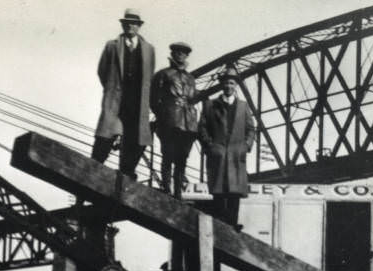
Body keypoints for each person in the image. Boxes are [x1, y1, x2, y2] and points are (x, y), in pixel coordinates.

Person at [91, 8, 155, 178]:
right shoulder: (111, 46)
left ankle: (126, 178)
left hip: (136, 106)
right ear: (122, 25)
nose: (129, 26)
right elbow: (102, 71)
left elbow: (149, 76)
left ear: (139, 26)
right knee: (104, 140)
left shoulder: (149, 49)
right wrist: (112, 89)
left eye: (133, 24)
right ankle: (91, 173)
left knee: (135, 143)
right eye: (126, 23)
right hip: (116, 103)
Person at [197, 66, 256, 227]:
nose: (228, 86)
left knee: (234, 193)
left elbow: (251, 129)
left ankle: (232, 225)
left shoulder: (243, 106)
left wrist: (246, 146)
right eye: (226, 83)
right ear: (221, 85)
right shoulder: (210, 105)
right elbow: (202, 127)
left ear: (235, 85)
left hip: (237, 155)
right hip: (218, 154)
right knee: (219, 192)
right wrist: (209, 146)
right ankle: (220, 226)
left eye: (231, 83)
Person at [151, 41, 198, 198]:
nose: (180, 55)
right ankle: (166, 189)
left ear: (186, 56)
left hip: (188, 124)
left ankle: (178, 193)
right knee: (168, 155)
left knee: (182, 159)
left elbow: (192, 98)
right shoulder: (163, 74)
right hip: (170, 121)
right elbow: (153, 100)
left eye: (183, 53)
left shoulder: (191, 78)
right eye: (177, 52)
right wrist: (163, 116)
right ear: (172, 54)